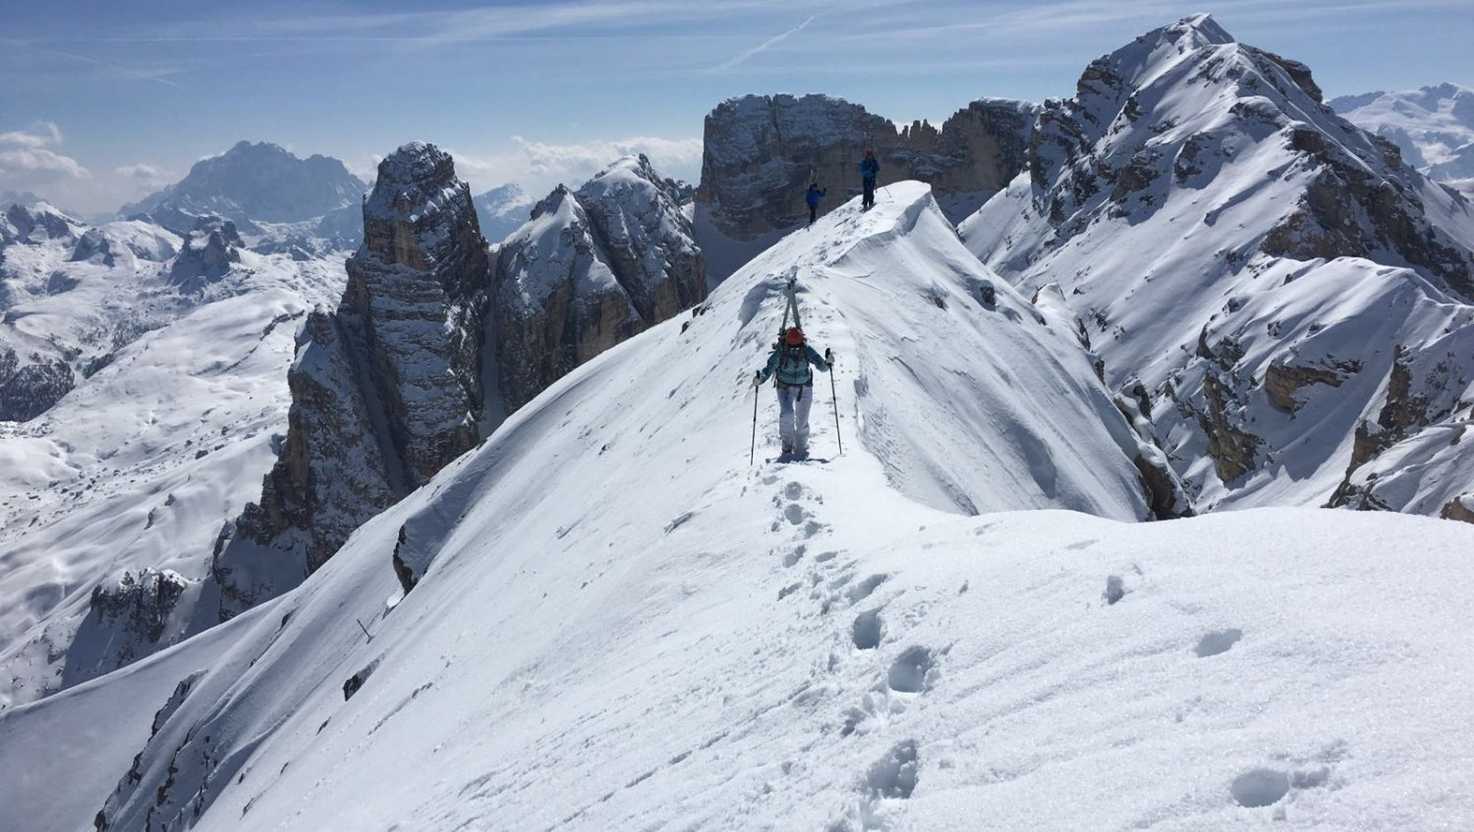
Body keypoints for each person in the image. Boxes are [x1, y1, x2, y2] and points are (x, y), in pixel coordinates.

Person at [754, 327, 833, 458]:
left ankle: (801, 448)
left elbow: (820, 365)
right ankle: (787, 447)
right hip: (785, 388)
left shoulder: (806, 349)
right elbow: (769, 368)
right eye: (792, 345)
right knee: (787, 414)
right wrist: (760, 378)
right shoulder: (781, 351)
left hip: (804, 387)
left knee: (802, 420)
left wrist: (828, 363)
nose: (795, 348)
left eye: (797, 345)